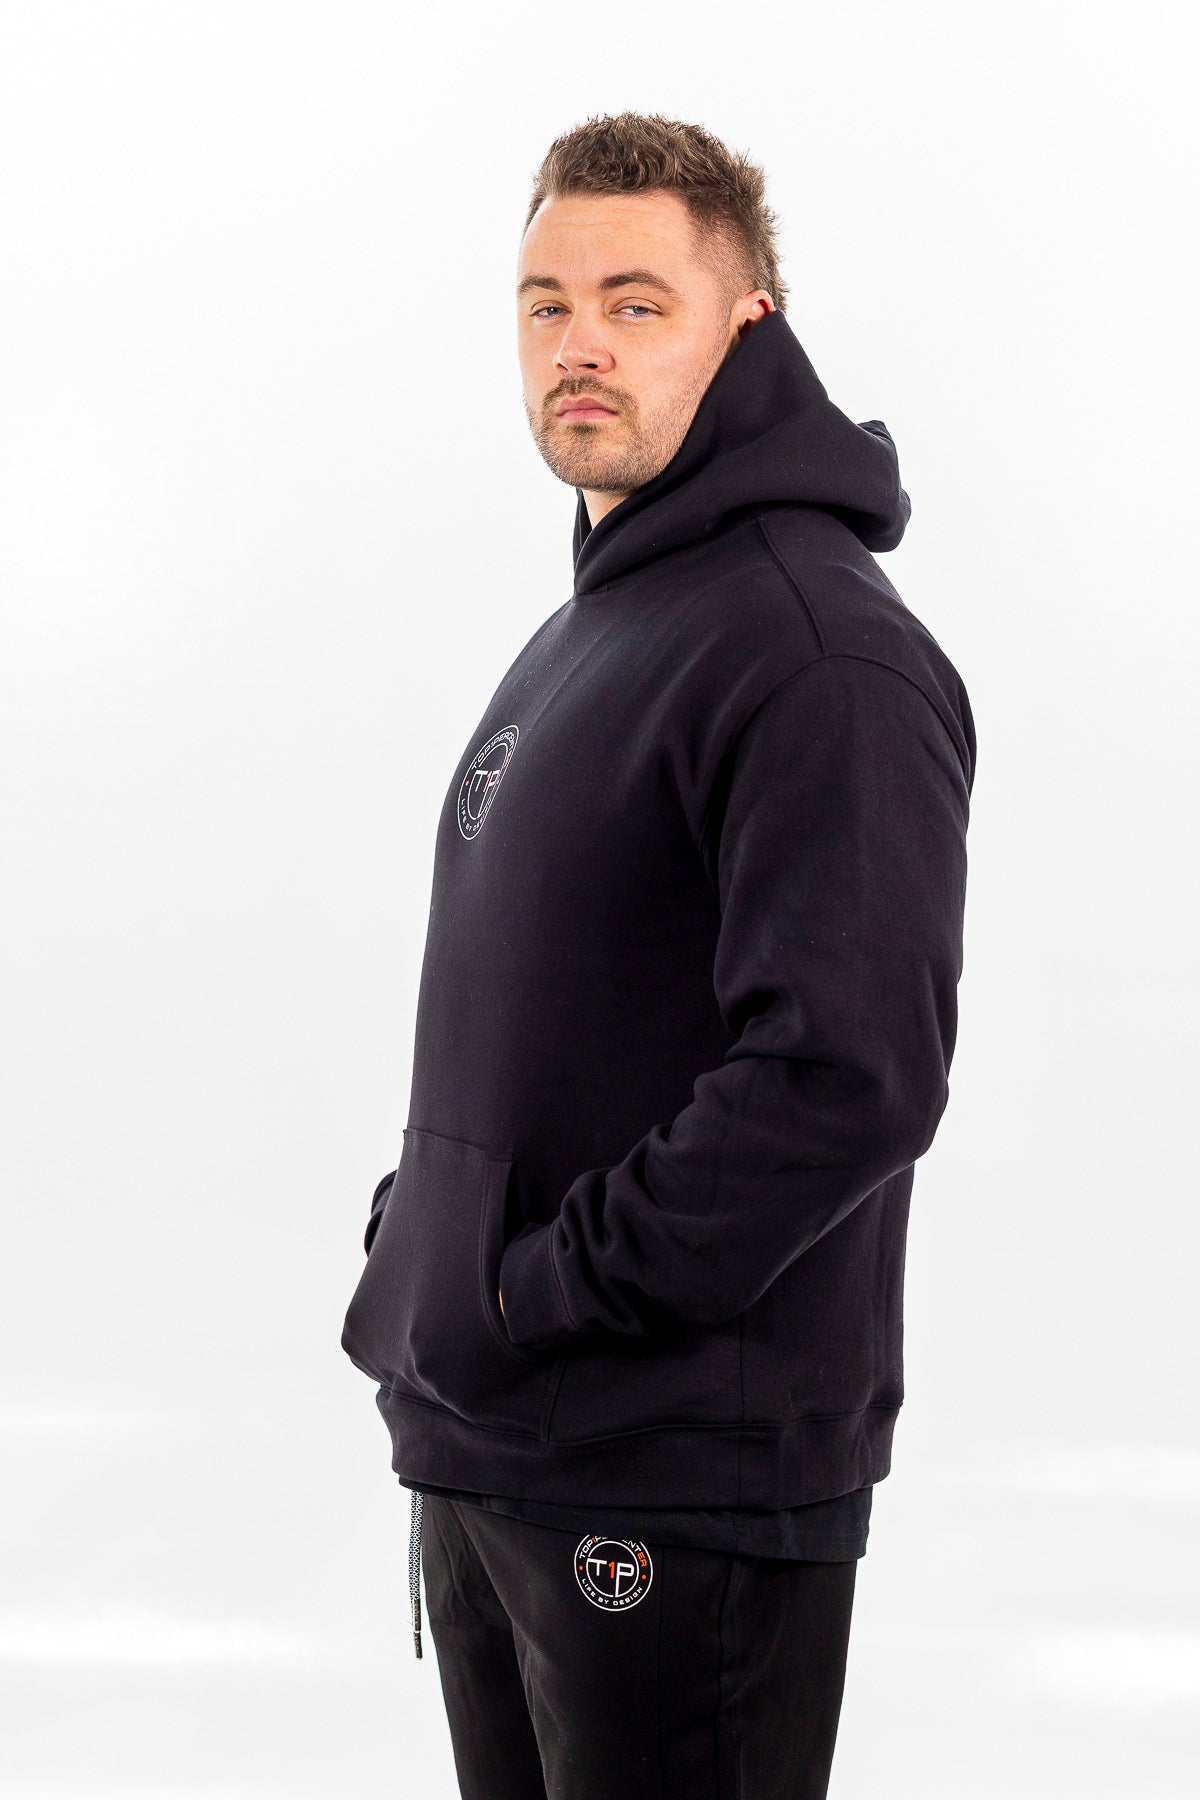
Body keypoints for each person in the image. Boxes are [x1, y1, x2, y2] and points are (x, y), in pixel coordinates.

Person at [341, 110, 976, 1800]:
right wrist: (429, 1239)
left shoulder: (816, 651)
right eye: (546, 304)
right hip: (496, 1451)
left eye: (636, 302)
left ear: (749, 324)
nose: (581, 345)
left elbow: (846, 1079)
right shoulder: (601, 624)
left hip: (673, 1480)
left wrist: (533, 1291)